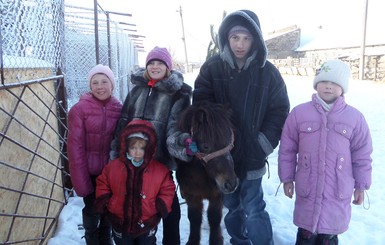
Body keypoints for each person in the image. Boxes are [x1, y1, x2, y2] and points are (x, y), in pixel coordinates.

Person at [192, 10, 290, 245]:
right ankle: (239, 241)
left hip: (253, 154)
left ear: (255, 39)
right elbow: (201, 108)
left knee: (254, 206)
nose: (240, 44)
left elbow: (279, 111)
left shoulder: (269, 73)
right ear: (227, 38)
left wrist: (262, 144)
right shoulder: (212, 69)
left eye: (246, 38)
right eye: (235, 38)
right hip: (222, 158)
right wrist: (213, 146)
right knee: (232, 205)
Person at [278, 59, 373, 244]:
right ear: (316, 83)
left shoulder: (355, 118)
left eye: (334, 83)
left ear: (343, 87)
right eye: (324, 81)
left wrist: (361, 186)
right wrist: (287, 178)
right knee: (306, 233)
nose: (328, 87)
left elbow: (362, 155)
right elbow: (287, 149)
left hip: (337, 190)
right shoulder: (299, 113)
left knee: (329, 234)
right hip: (308, 189)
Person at [110, 46, 192, 245]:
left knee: (169, 205)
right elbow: (123, 121)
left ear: (168, 67)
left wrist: (181, 145)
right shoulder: (137, 90)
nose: (155, 67)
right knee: (137, 204)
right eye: (151, 63)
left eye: (160, 63)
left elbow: (175, 127)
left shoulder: (178, 94)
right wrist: (116, 152)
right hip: (133, 158)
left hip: (160, 161)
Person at [95, 119, 176, 245]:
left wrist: (160, 204)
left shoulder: (159, 170)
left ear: (149, 148)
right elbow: (103, 183)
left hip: (147, 222)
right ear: (125, 146)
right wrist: (105, 200)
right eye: (133, 147)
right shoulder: (114, 167)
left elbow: (168, 188)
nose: (137, 152)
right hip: (120, 221)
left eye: (142, 148)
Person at [67, 64, 122, 244]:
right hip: (89, 172)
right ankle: (91, 237)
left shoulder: (119, 109)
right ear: (90, 86)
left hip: (110, 172)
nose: (100, 86)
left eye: (104, 81)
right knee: (91, 208)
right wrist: (81, 180)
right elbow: (75, 148)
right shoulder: (79, 110)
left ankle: (106, 237)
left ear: (112, 85)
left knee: (109, 207)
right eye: (95, 82)